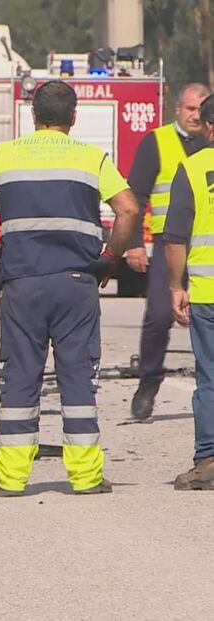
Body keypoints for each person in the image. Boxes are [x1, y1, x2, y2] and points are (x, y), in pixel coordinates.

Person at [0, 81, 140, 496]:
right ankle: (86, 478)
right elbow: (128, 208)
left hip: (22, 282)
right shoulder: (91, 158)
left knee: (20, 378)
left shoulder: (5, 154)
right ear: (74, 117)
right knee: (76, 378)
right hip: (75, 283)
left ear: (33, 116)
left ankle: (11, 479)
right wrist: (110, 257)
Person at [126, 83, 212, 422]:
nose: (195, 115)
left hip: (206, 247)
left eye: (201, 109)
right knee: (160, 314)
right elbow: (136, 194)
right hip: (169, 243)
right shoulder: (157, 141)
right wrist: (134, 242)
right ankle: (149, 382)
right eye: (190, 108)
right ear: (178, 109)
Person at [162, 94, 214, 489]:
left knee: (210, 378)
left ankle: (209, 460)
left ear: (208, 126)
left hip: (208, 292)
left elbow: (176, 237)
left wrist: (175, 285)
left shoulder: (194, 168)